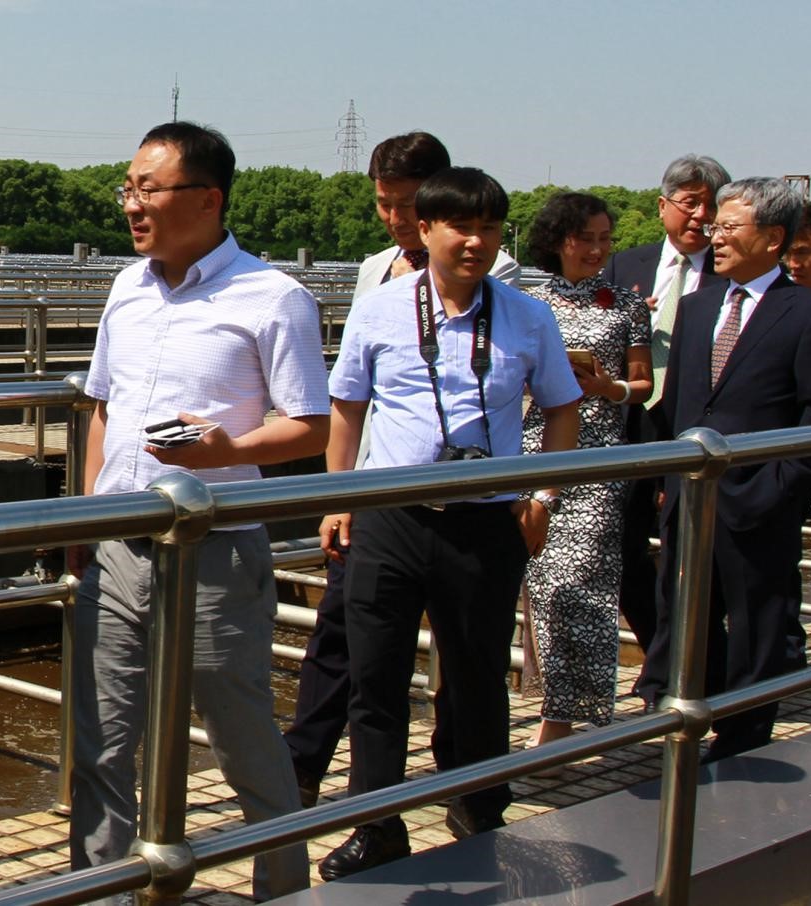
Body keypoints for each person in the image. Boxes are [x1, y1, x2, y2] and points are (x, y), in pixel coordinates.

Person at [69, 122, 329, 902]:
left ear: (208, 199)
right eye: (127, 188)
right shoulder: (126, 287)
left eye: (147, 189)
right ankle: (102, 892)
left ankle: (282, 887)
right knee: (102, 739)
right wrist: (86, 516)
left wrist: (227, 450)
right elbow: (103, 407)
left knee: (239, 733)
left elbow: (309, 425)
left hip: (215, 547)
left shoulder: (273, 296)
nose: (131, 204)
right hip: (119, 543)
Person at [317, 167, 580, 879]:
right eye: (460, 226)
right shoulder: (380, 310)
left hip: (485, 522)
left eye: (489, 228)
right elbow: (347, 408)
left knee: (476, 678)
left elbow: (562, 408)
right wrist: (338, 499)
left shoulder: (528, 316)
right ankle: (375, 823)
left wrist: (543, 495)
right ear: (426, 228)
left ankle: (478, 806)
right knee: (375, 678)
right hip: (390, 517)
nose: (475, 242)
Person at [285, 131, 520, 808]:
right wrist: (341, 493)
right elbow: (354, 392)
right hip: (376, 491)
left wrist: (533, 494)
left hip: (462, 500)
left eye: (405, 203)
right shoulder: (375, 271)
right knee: (342, 629)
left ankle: (462, 779)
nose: (393, 217)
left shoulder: (496, 274)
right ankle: (305, 765)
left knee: (465, 649)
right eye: (382, 203)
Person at [636, 177, 811, 762]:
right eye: (715, 226)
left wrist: (779, 488)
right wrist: (658, 478)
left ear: (773, 238)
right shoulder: (698, 306)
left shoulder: (809, 314)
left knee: (756, 622)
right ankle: (682, 718)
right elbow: (680, 404)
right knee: (685, 613)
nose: (715, 236)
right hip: (689, 498)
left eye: (729, 227)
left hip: (758, 499)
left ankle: (745, 736)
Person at [521, 193, 651, 749]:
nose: (597, 250)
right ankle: (555, 706)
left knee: (583, 582)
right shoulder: (527, 303)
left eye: (605, 239)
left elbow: (642, 385)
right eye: (585, 239)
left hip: (598, 458)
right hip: (535, 450)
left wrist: (606, 386)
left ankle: (567, 715)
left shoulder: (627, 304)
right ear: (558, 241)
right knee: (543, 585)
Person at [602, 155, 731, 652]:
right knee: (621, 546)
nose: (701, 215)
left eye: (711, 206)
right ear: (662, 206)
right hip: (631, 419)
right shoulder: (626, 264)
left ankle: (697, 658)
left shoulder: (729, 271)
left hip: (695, 426)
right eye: (690, 202)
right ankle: (663, 650)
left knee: (692, 548)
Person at [353, 132, 520, 295]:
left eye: (407, 204)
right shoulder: (371, 269)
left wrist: (411, 288)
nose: (394, 219)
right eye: (385, 205)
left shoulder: (492, 267)